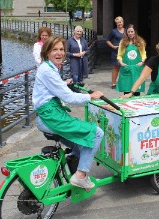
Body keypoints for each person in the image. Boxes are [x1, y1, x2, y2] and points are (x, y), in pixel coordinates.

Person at [32, 36, 104, 189]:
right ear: (47, 52)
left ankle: (72, 170)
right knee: (96, 133)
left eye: (62, 49)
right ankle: (80, 175)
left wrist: (63, 84)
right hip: (50, 117)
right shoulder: (47, 70)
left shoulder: (49, 67)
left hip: (49, 116)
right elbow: (68, 97)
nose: (59, 53)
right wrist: (90, 96)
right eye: (55, 50)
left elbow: (52, 89)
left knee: (79, 145)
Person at [116, 24, 147, 96]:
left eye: (132, 31)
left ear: (135, 32)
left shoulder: (140, 42)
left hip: (136, 68)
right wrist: (121, 63)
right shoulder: (123, 42)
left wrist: (142, 62)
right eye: (129, 32)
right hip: (127, 68)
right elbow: (119, 54)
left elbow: (143, 54)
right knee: (126, 90)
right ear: (126, 32)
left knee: (136, 90)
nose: (130, 33)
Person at [106, 16, 125, 89]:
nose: (119, 23)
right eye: (118, 22)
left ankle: (123, 83)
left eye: (120, 22)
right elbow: (108, 40)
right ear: (116, 24)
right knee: (116, 68)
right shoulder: (113, 31)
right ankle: (113, 83)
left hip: (125, 52)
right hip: (116, 52)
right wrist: (113, 46)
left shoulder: (126, 31)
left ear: (123, 22)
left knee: (125, 68)